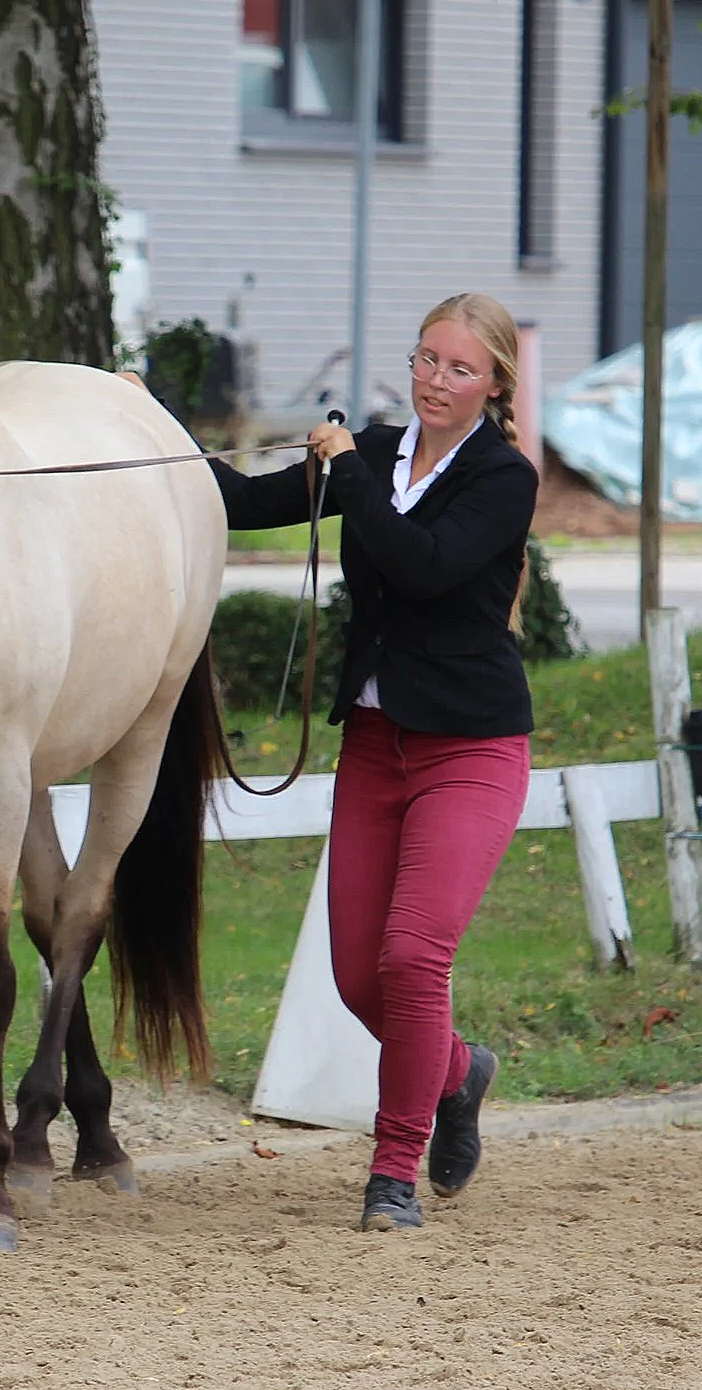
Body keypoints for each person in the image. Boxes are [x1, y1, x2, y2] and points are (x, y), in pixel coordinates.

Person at [210, 292, 537, 1231]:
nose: (435, 380)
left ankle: (394, 1170)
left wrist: (347, 469)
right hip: (376, 745)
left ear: (494, 384)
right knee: (359, 977)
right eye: (427, 358)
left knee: (410, 958)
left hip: (471, 748)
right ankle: (458, 1070)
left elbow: (422, 562)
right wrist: (151, 425)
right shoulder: (378, 450)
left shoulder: (502, 478)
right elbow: (247, 500)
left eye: (460, 368)